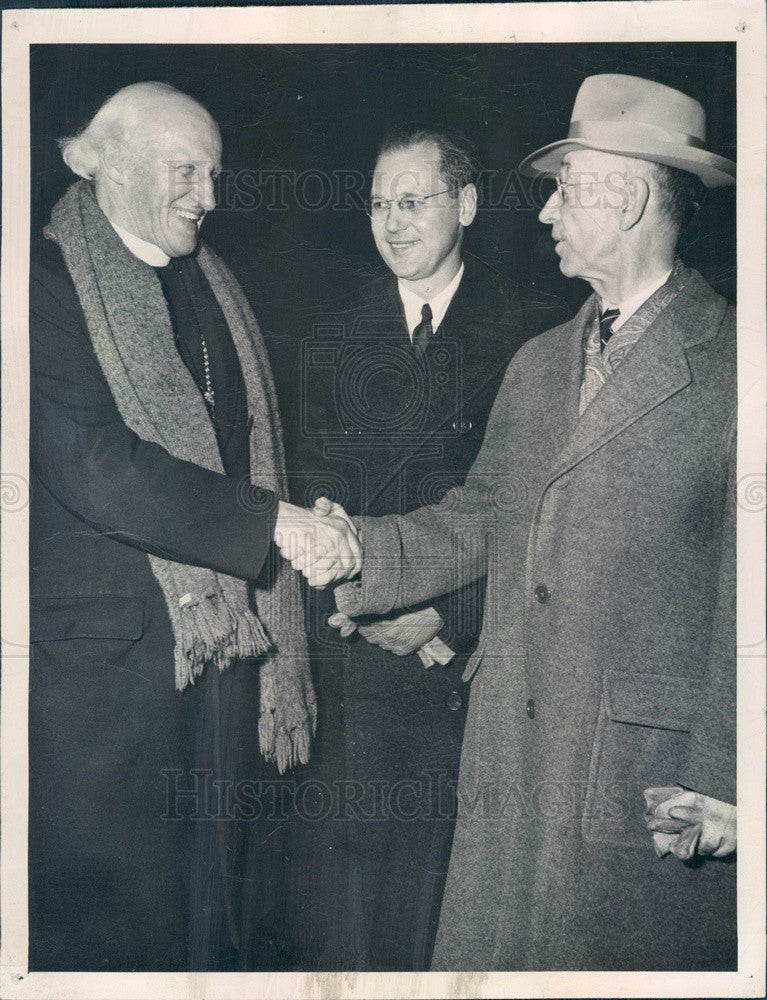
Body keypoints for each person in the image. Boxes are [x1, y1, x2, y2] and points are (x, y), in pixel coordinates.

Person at [285, 74, 738, 970]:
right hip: (508, 755)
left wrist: (729, 782)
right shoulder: (539, 364)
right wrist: (357, 548)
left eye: (565, 189)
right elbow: (480, 514)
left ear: (634, 196)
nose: (544, 215)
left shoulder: (735, 370)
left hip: (637, 780)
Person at [29, 81, 358, 972]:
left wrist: (292, 522)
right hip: (106, 688)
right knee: (117, 935)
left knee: (215, 923)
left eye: (213, 173)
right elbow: (94, 464)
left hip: (224, 658)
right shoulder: (42, 282)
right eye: (187, 171)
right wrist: (274, 521)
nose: (209, 196)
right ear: (115, 166)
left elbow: (249, 442)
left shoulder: (215, 283)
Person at [286, 126, 560, 970]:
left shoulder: (534, 339)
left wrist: (447, 608)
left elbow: (536, 519)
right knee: (352, 917)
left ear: (466, 206)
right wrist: (360, 608)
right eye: (377, 203)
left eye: (412, 201)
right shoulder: (326, 339)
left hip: (463, 668)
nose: (391, 222)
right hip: (356, 674)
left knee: (448, 914)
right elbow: (307, 511)